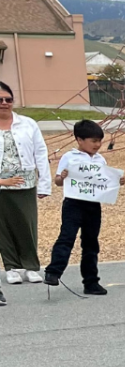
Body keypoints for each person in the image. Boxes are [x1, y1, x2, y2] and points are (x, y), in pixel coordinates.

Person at [44, 120, 124, 295]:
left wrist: (117, 181)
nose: (97, 145)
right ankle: (53, 272)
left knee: (91, 243)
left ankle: (91, 282)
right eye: (93, 141)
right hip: (73, 203)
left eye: (99, 141)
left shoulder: (99, 159)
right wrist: (62, 176)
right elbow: (58, 182)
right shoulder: (69, 157)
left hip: (93, 204)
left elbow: (104, 181)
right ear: (80, 140)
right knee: (67, 237)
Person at [0, 80, 51, 288]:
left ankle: (31, 266)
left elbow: (41, 153)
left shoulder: (28, 123)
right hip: (1, 184)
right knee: (3, 228)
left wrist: (45, 184)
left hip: (25, 183)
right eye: (0, 100)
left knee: (27, 225)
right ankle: (12, 267)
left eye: (8, 99)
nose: (4, 103)